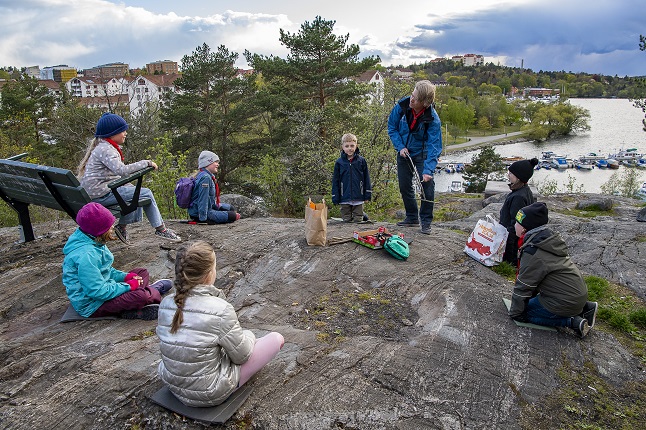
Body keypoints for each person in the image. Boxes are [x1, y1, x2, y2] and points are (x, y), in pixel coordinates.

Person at [157, 240, 284, 407]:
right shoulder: (221, 309)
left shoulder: (166, 303)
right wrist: (249, 336)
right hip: (209, 392)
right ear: (209, 274)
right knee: (276, 339)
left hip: (171, 382)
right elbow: (242, 356)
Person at [78, 112, 181, 243]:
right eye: (122, 130)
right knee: (145, 194)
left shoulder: (102, 147)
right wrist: (146, 163)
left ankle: (122, 227)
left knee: (134, 190)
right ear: (112, 133)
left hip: (96, 193)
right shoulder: (106, 149)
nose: (125, 133)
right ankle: (161, 230)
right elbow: (122, 170)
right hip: (101, 195)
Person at [62, 202, 173, 320]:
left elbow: (106, 271)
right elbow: (97, 291)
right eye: (109, 226)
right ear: (99, 230)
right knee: (140, 296)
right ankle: (152, 291)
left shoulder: (93, 240)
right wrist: (128, 286)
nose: (112, 228)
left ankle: (142, 297)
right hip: (93, 304)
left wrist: (126, 277)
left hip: (105, 289)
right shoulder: (86, 256)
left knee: (141, 272)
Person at [507, 202, 598, 338]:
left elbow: (524, 285)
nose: (514, 224)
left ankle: (572, 321)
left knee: (526, 313)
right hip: (575, 294)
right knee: (528, 304)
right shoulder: (546, 240)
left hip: (564, 301)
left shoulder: (534, 252)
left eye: (517, 222)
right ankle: (585, 308)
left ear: (525, 229)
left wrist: (516, 313)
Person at [388, 80, 443, 235]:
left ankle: (425, 221)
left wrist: (428, 171)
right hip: (403, 151)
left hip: (422, 154)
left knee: (427, 185)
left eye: (416, 98)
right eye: (412, 95)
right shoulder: (402, 106)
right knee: (404, 186)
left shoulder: (433, 119)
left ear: (425, 103)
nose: (411, 99)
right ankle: (411, 217)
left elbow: (435, 146)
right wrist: (400, 147)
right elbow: (392, 127)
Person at [499, 158, 539, 265]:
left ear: (519, 177)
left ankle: (511, 264)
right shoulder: (524, 190)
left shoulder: (518, 197)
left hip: (512, 242)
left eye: (511, 173)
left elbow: (515, 223)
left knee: (510, 263)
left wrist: (509, 256)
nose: (508, 175)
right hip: (515, 240)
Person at [187, 151, 240, 224]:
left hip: (208, 207)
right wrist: (203, 219)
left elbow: (209, 199)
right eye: (215, 162)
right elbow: (203, 199)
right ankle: (203, 217)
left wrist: (217, 207)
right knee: (233, 216)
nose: (218, 164)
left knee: (231, 208)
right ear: (207, 163)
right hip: (199, 213)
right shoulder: (205, 178)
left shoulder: (207, 175)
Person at [331, 133, 372, 222]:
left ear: (356, 146)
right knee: (346, 220)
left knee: (358, 220)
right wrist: (335, 196)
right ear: (342, 147)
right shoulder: (339, 162)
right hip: (344, 196)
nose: (350, 148)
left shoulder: (361, 161)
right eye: (347, 146)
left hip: (358, 196)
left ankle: (362, 216)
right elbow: (335, 181)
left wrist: (367, 194)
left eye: (352, 146)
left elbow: (366, 178)